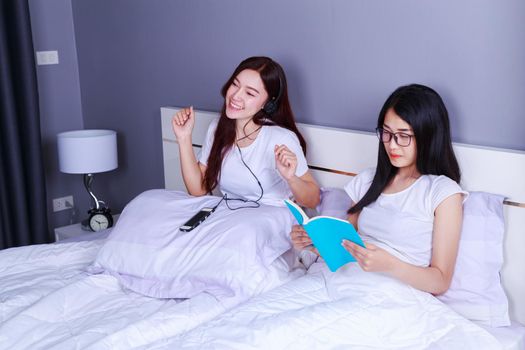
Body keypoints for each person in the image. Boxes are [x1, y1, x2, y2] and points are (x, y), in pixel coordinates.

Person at [290, 84, 466, 295]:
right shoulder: (368, 180)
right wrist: (314, 243)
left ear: (428, 135)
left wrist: (390, 264)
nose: (392, 145)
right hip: (340, 281)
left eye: (403, 135)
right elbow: (344, 246)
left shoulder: (443, 192)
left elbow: (440, 281)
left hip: (391, 294)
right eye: (387, 133)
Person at [172, 56, 320, 209]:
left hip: (272, 219)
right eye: (235, 84)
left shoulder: (281, 138)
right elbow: (197, 190)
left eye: (250, 93)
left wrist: (291, 178)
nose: (235, 96)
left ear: (268, 103)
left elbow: (314, 200)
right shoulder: (217, 128)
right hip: (230, 215)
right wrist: (183, 138)